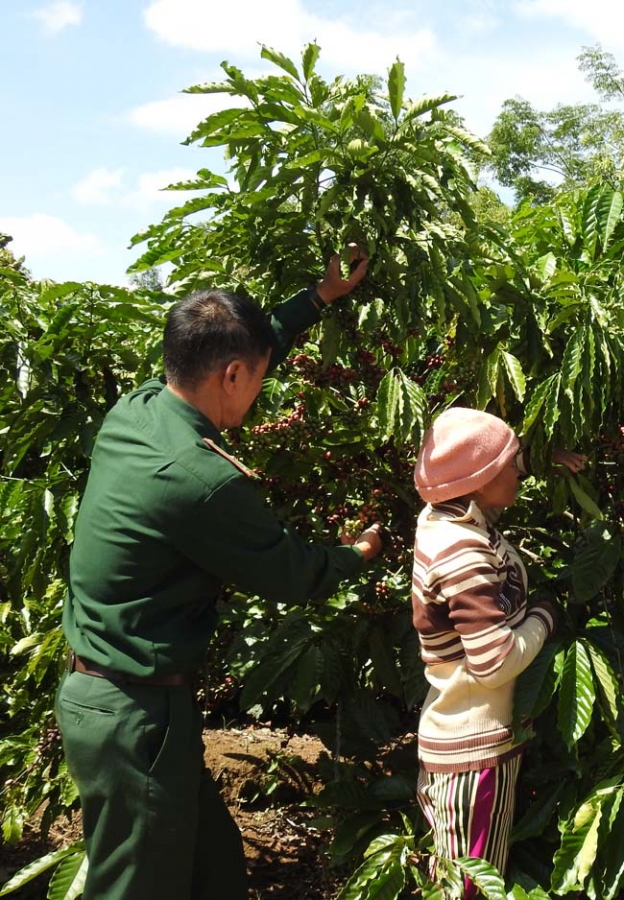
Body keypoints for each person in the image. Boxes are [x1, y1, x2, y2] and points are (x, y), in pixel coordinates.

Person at [56, 250, 384, 900]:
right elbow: (293, 573)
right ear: (233, 375)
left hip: (122, 701)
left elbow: (249, 347)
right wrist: (356, 553)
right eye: (258, 378)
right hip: (135, 717)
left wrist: (318, 296)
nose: (261, 389)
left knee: (211, 872)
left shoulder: (137, 408)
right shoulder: (198, 480)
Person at [410, 408, 585, 896]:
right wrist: (545, 615)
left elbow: (477, 469)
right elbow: (495, 662)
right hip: (474, 754)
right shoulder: (462, 553)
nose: (517, 473)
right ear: (480, 481)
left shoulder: (445, 512)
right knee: (467, 887)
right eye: (508, 466)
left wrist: (544, 461)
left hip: (468, 738)